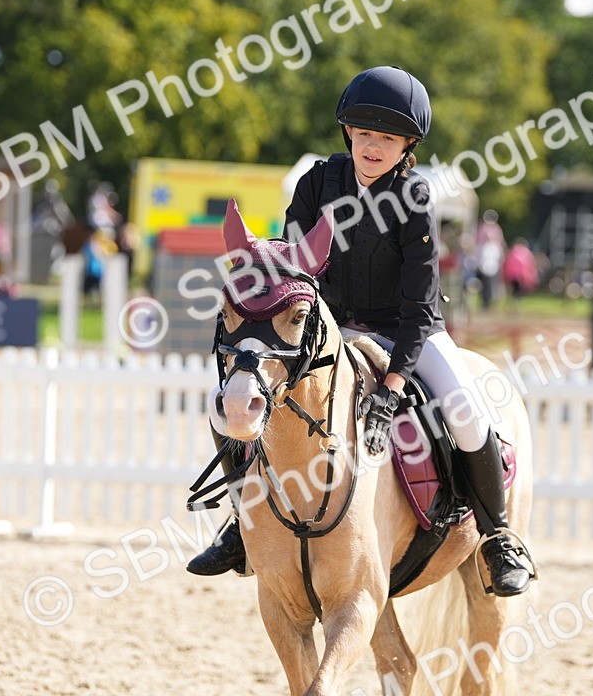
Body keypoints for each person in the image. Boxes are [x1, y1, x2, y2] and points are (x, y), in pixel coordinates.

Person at [186, 66, 533, 597]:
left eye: (387, 138)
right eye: (365, 134)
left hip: (406, 330)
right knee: (239, 401)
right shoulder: (316, 183)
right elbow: (293, 271)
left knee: (464, 410)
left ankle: (497, 534)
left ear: (407, 145)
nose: (373, 146)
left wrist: (393, 387)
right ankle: (242, 520)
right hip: (327, 327)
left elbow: (419, 303)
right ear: (348, 132)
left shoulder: (415, 197)